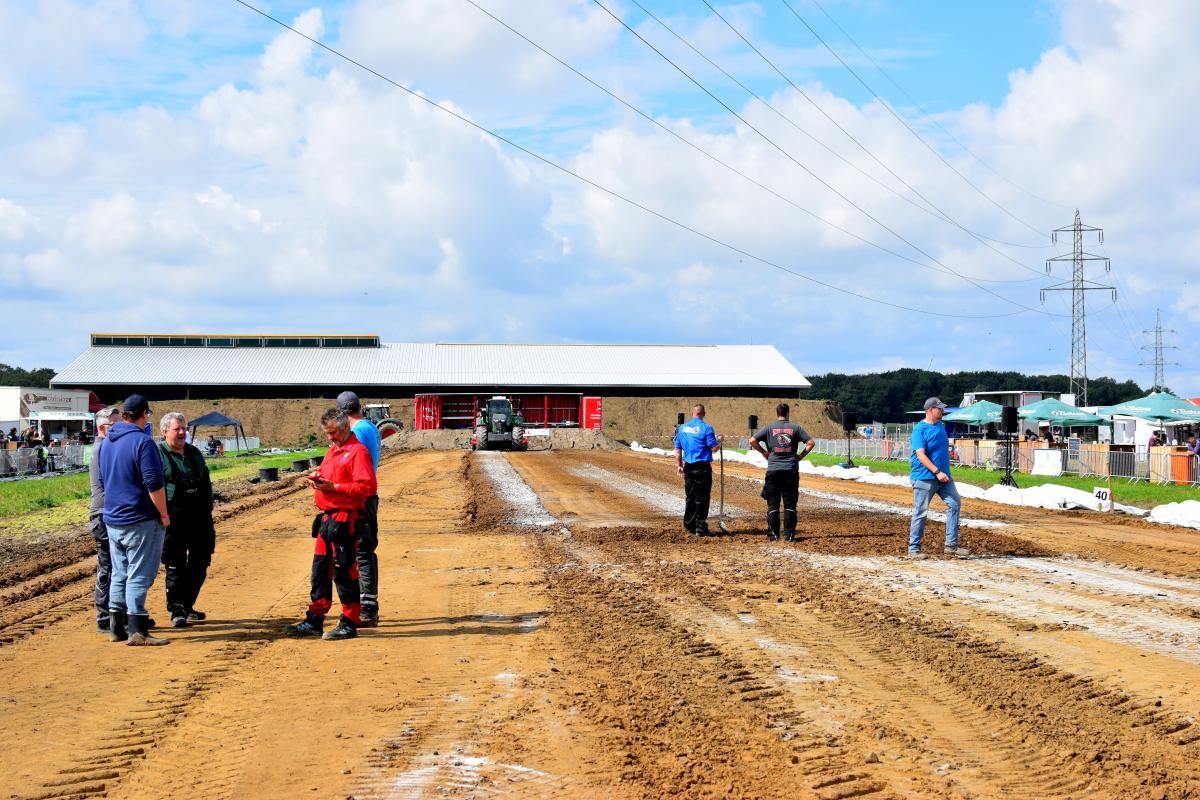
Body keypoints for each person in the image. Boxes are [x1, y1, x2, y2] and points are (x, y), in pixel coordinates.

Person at [284, 408, 376, 641]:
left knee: (343, 571)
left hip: (346, 519)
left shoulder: (358, 452)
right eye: (327, 433)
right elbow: (330, 477)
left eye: (333, 432)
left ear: (346, 427)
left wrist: (333, 487)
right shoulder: (333, 452)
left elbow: (367, 488)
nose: (330, 437)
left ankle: (349, 621)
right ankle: (315, 619)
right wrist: (317, 480)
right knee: (320, 571)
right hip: (327, 519)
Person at [99, 394, 170, 646]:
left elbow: (102, 480)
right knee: (140, 573)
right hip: (140, 518)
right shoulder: (143, 442)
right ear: (144, 414)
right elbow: (153, 482)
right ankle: (137, 629)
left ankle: (116, 627)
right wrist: (163, 513)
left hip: (113, 518)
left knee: (120, 572)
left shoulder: (108, 441)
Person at [158, 412, 215, 628]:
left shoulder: (194, 453)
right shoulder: (157, 454)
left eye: (184, 428)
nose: (182, 432)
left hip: (199, 515)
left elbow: (206, 482)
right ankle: (176, 610)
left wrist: (207, 509)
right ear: (164, 432)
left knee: (201, 561)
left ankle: (187, 604)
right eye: (177, 429)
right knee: (175, 563)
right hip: (173, 515)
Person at [337, 391, 382, 626]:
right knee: (364, 550)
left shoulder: (356, 433)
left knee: (359, 552)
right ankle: (367, 605)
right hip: (369, 495)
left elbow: (352, 465)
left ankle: (365, 608)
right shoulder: (371, 427)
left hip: (358, 497)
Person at [909, 397, 969, 559]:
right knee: (920, 512)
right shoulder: (919, 430)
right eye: (939, 409)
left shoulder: (941, 427)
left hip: (944, 477)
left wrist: (944, 472)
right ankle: (913, 549)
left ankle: (951, 545)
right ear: (929, 410)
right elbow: (920, 455)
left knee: (955, 503)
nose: (942, 411)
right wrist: (937, 471)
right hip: (925, 477)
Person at [750, 403, 814, 542]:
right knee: (790, 504)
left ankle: (773, 534)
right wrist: (800, 456)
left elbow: (752, 440)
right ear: (788, 413)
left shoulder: (769, 428)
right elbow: (810, 443)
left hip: (773, 469)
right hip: (791, 469)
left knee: (773, 504)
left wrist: (764, 453)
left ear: (777, 413)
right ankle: (788, 535)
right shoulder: (796, 428)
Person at [88, 407, 118, 633]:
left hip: (111, 513)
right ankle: (104, 617)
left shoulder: (108, 448)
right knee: (107, 566)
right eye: (116, 426)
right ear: (103, 427)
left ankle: (119, 615)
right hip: (103, 514)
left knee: (118, 566)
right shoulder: (101, 450)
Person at [672, 404, 724, 536]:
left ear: (692, 413)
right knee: (702, 498)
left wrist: (679, 466)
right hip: (702, 467)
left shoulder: (682, 429)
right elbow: (713, 448)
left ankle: (689, 525)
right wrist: (720, 441)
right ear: (704, 413)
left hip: (688, 466)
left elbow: (678, 450)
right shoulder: (707, 428)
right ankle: (700, 528)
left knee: (690, 496)